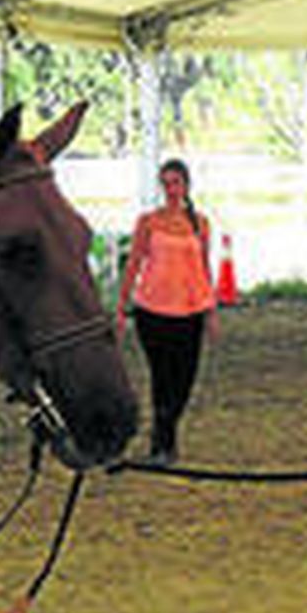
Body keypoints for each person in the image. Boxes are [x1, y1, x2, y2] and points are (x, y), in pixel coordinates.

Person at [115, 159, 218, 465]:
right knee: (162, 379)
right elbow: (133, 264)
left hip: (190, 310)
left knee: (184, 379)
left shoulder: (200, 223)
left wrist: (211, 311)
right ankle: (163, 445)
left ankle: (163, 437)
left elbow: (203, 269)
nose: (171, 189)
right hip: (152, 311)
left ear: (186, 185)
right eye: (166, 183)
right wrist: (121, 307)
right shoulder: (148, 221)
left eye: (176, 182)